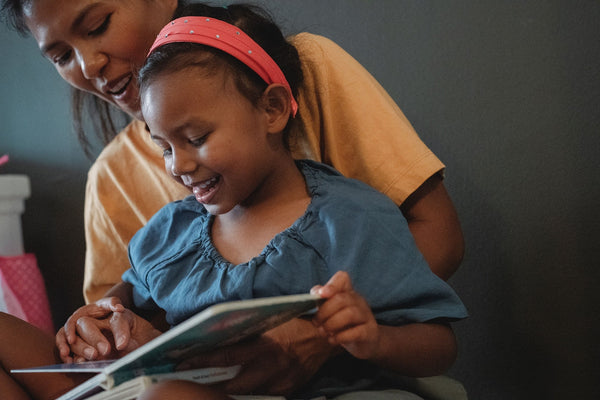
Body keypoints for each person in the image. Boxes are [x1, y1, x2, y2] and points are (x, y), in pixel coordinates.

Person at [1, 0, 465, 395]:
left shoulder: (344, 213)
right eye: (60, 55)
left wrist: (330, 333)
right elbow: (125, 305)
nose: (88, 65)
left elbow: (431, 286)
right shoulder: (159, 217)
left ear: (275, 108)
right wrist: (99, 323)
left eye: (98, 25)